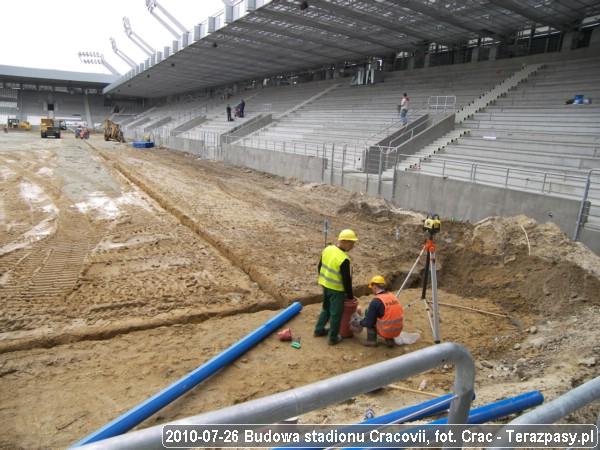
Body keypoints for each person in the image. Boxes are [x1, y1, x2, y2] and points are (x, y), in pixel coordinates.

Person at [315, 229, 358, 345]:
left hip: (325, 285)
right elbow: (346, 281)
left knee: (326, 308)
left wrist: (324, 280)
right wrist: (350, 296)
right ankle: (333, 338)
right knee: (336, 314)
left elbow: (320, 266)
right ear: (345, 242)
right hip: (336, 290)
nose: (353, 246)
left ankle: (318, 330)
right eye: (352, 243)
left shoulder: (327, 249)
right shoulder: (344, 259)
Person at [359, 275, 404, 347]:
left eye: (372, 288)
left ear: (374, 287)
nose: (372, 290)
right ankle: (390, 340)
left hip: (386, 330)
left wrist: (360, 322)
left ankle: (371, 341)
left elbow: (369, 323)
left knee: (368, 312)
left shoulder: (376, 301)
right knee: (386, 314)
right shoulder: (392, 296)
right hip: (397, 331)